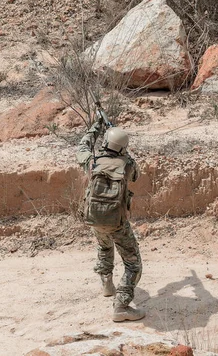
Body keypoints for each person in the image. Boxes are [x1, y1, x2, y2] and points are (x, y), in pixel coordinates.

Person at [76, 119, 144, 322]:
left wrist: (97, 126)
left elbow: (82, 145)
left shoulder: (92, 162)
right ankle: (121, 305)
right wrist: (125, 153)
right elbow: (136, 175)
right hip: (117, 222)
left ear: (105, 142)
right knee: (133, 265)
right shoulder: (127, 165)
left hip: (94, 218)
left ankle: (106, 282)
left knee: (104, 247)